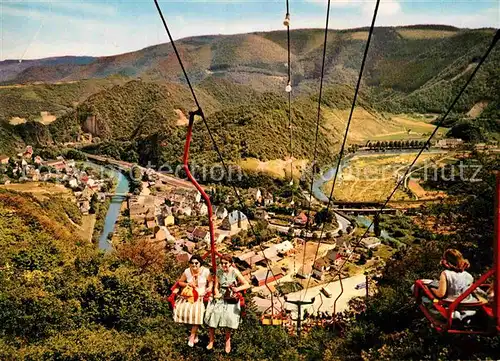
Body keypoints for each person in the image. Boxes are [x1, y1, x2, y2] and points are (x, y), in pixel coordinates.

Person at [205, 254, 250, 353]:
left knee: (229, 316)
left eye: (226, 263)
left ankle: (227, 341)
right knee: (213, 314)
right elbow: (216, 286)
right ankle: (211, 340)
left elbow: (247, 284)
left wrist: (237, 289)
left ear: (230, 263)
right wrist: (216, 294)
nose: (224, 265)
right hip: (221, 294)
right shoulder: (219, 272)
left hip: (231, 295)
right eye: (222, 263)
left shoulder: (234, 271)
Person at [415, 248, 476, 320]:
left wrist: (431, 288)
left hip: (450, 305)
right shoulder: (468, 275)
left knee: (424, 294)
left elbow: (440, 294)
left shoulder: (445, 274)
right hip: (465, 305)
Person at [173, 255, 212, 347]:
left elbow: (210, 281)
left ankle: (192, 336)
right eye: (192, 263)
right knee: (181, 309)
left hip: (201, 295)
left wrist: (209, 288)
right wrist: (188, 283)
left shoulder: (205, 271)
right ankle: (195, 334)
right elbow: (180, 282)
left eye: (196, 263)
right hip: (190, 295)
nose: (194, 265)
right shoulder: (187, 271)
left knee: (197, 311)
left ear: (200, 264)